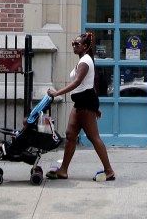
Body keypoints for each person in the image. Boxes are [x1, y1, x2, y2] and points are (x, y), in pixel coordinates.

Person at [45, 31, 116, 182]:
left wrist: (56, 93)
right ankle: (63, 170)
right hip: (80, 103)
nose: (74, 46)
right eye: (73, 44)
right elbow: (90, 84)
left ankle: (109, 171)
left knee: (93, 137)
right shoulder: (83, 59)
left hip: (85, 103)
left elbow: (77, 82)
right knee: (70, 135)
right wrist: (96, 107)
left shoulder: (85, 61)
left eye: (76, 44)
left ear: (84, 46)